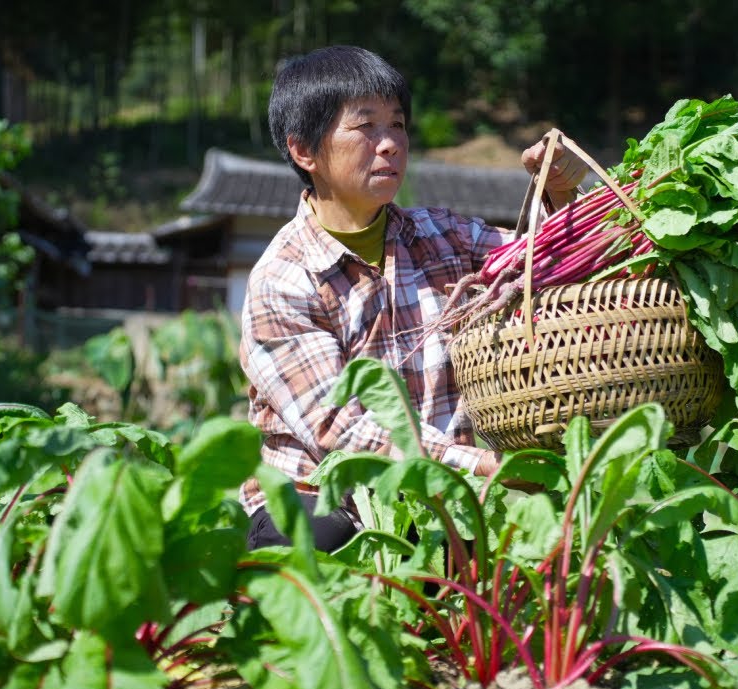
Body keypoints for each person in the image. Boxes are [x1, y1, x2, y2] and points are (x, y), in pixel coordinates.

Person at [239, 45, 586, 551]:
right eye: (365, 127)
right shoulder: (284, 279)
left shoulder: (443, 235)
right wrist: (483, 465)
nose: (390, 144)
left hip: (445, 495)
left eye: (397, 125)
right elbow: (341, 429)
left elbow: (549, 264)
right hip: (324, 491)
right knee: (315, 539)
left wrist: (561, 195)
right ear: (304, 151)